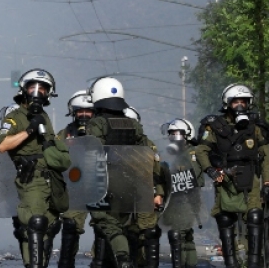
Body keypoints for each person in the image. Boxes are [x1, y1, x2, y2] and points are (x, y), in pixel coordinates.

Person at [85, 77, 164, 268]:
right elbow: (148, 156)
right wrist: (155, 189)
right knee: (125, 226)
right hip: (131, 185)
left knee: (107, 224)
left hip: (106, 183)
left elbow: (92, 153)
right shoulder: (133, 124)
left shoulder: (97, 124)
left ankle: (122, 259)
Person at [0, 69, 70, 268]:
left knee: (51, 226)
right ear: (24, 90)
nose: (37, 92)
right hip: (31, 177)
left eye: (43, 88)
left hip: (52, 178)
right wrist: (29, 130)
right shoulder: (16, 116)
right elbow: (2, 145)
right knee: (35, 222)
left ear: (49, 93)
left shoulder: (45, 117)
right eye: (33, 87)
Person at [196, 84, 269, 268]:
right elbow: (201, 151)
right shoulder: (215, 125)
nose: (240, 105)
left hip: (251, 178)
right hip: (225, 178)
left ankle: (253, 262)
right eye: (236, 101)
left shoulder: (255, 127)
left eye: (243, 101)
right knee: (225, 218)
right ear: (227, 103)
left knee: (254, 216)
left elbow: (265, 155)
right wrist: (211, 170)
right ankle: (232, 263)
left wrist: (267, 182)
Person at [55, 90, 93, 268]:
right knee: (70, 225)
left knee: (107, 228)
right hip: (76, 187)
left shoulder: (105, 130)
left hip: (102, 186)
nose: (84, 115)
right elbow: (53, 156)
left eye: (89, 111)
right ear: (73, 112)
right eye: (80, 111)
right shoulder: (64, 134)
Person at [159, 118, 203, 268]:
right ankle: (190, 264)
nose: (174, 137)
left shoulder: (191, 153)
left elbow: (193, 177)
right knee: (186, 238)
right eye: (171, 134)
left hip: (186, 199)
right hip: (179, 199)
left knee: (178, 235)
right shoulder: (179, 155)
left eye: (177, 134)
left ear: (187, 135)